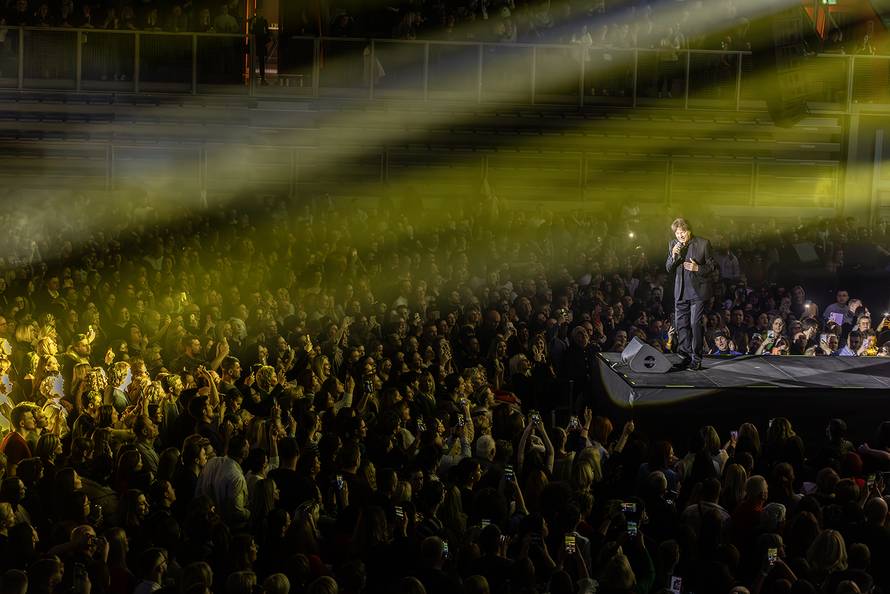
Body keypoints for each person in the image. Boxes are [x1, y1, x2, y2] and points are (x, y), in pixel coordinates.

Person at [665, 218, 716, 370]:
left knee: (695, 324)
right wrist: (674, 256)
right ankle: (684, 356)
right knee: (682, 325)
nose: (680, 236)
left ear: (689, 231)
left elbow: (712, 265)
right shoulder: (673, 244)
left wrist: (697, 268)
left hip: (697, 292)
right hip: (680, 292)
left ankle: (697, 358)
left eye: (683, 232)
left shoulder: (703, 243)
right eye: (677, 233)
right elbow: (668, 268)